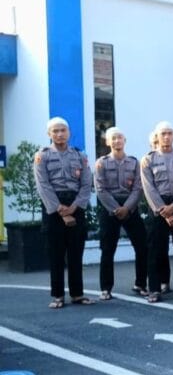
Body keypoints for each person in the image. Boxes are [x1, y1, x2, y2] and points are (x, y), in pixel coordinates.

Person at [33, 117, 94, 308]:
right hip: (53, 207)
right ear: (49, 134)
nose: (60, 134)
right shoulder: (42, 156)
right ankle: (58, 295)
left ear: (69, 132)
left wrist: (74, 208)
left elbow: (86, 184)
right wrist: (61, 211)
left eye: (63, 130)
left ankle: (77, 294)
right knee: (56, 254)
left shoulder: (80, 156)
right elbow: (43, 186)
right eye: (55, 131)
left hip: (76, 204)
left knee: (76, 253)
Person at [140, 121, 173, 302]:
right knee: (156, 249)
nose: (166, 137)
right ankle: (155, 289)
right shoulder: (148, 159)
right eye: (163, 133)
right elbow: (148, 188)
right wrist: (165, 211)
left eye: (170, 133)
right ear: (157, 136)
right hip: (158, 207)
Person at [94, 127, 148, 300]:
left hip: (130, 206)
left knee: (142, 246)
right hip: (110, 208)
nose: (117, 141)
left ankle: (140, 284)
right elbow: (100, 189)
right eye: (113, 138)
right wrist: (116, 209)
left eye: (120, 138)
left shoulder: (134, 162)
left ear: (125, 140)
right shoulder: (101, 163)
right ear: (107, 142)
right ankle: (106, 288)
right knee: (107, 249)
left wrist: (127, 208)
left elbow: (138, 187)